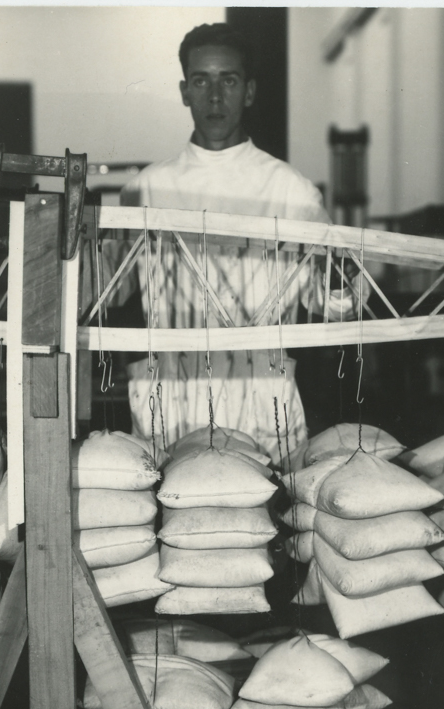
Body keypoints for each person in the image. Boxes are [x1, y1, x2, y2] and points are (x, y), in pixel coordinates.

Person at [116, 22, 334, 462]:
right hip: (172, 404)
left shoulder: (292, 191)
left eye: (229, 81)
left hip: (263, 407)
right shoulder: (145, 189)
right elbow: (112, 292)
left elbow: (333, 305)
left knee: (271, 505)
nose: (215, 96)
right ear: (184, 91)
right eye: (201, 81)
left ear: (249, 91)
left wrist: (343, 279)